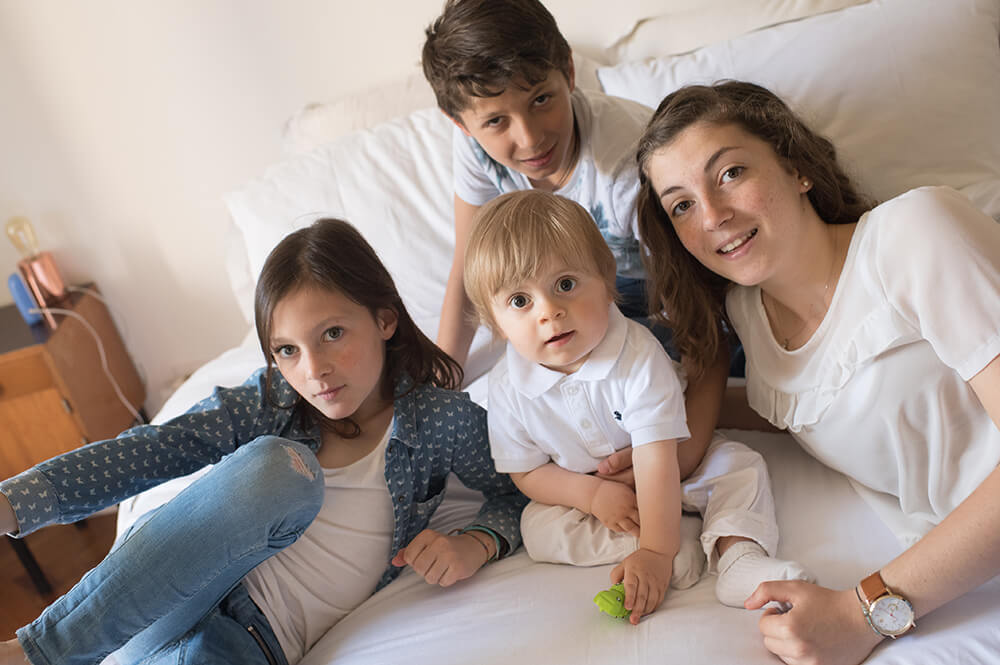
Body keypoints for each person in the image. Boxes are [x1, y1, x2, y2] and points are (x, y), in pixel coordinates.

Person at [0, 218, 527, 665]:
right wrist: (11, 503)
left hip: (242, 646)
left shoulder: (442, 419)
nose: (314, 369)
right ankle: (37, 655)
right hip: (164, 603)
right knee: (280, 469)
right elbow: (152, 450)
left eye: (333, 334)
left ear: (384, 319)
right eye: (287, 350)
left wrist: (475, 543)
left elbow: (518, 489)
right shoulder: (272, 400)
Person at [634, 80, 1000, 664]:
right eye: (681, 204)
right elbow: (804, 403)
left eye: (729, 173)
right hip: (966, 576)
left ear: (797, 167)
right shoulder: (746, 311)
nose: (713, 216)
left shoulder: (915, 233)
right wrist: (643, 432)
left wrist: (863, 612)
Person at [463, 190, 811, 625]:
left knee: (739, 467)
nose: (549, 311)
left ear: (607, 279)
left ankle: (737, 555)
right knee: (539, 529)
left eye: (566, 285)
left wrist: (655, 552)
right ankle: (674, 541)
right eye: (520, 301)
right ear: (494, 323)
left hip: (671, 465)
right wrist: (590, 495)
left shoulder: (636, 355)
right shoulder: (507, 386)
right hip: (594, 494)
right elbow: (528, 471)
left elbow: (657, 454)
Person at [421, 0, 730, 490]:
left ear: (568, 70)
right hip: (569, 303)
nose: (529, 138)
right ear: (461, 123)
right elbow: (467, 265)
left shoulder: (629, 167)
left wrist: (685, 451)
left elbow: (705, 310)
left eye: (542, 99)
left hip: (666, 301)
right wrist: (438, 380)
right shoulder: (475, 145)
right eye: (496, 122)